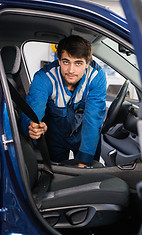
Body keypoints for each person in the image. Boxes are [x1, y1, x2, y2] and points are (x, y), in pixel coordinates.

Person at [21, 35, 107, 167]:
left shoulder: (96, 76)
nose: (71, 70)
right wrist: (33, 128)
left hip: (85, 133)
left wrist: (85, 160)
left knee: (88, 171)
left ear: (87, 64)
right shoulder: (44, 78)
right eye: (66, 62)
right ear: (59, 60)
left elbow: (93, 120)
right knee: (57, 173)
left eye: (78, 63)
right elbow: (32, 112)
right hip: (56, 135)